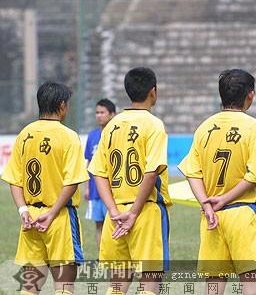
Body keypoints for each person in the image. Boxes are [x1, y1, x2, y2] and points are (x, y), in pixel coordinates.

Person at [178, 69, 256, 295]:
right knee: (251, 285)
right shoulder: (254, 127)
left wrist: (206, 203)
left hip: (211, 217)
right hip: (243, 214)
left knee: (213, 286)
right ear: (250, 95)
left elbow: (192, 171)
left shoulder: (205, 127)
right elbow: (254, 175)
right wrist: (224, 199)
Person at [88, 67, 171, 294]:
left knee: (117, 286)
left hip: (115, 217)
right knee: (149, 285)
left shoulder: (111, 126)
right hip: (144, 212)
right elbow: (151, 172)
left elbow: (98, 172)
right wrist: (133, 212)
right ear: (153, 92)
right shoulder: (154, 125)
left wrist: (113, 211)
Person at [2, 81, 89, 295]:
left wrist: (23, 210)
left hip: (30, 219)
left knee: (30, 287)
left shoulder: (25, 134)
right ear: (62, 105)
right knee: (64, 287)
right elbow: (72, 181)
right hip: (58, 217)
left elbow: (15, 178)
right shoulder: (68, 136)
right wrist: (51, 214)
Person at [84, 98, 116, 249]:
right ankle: (102, 256)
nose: (99, 115)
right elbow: (89, 162)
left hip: (112, 189)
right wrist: (87, 187)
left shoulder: (116, 135)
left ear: (112, 114)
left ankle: (114, 256)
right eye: (97, 112)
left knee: (114, 222)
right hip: (95, 189)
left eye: (102, 112)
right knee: (99, 224)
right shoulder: (92, 136)